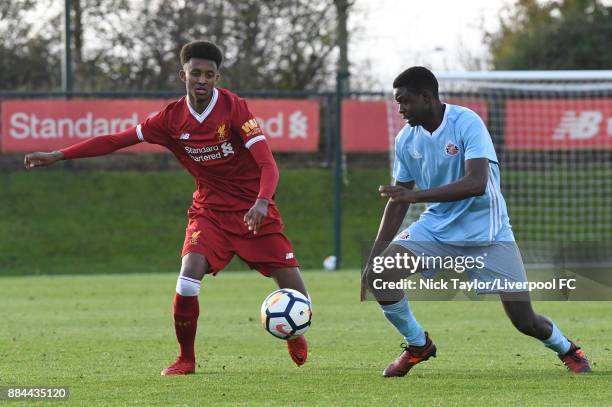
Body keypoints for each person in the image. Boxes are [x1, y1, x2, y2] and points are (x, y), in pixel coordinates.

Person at [24, 40, 310, 375]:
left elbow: (268, 164)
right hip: (210, 211)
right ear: (183, 75)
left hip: (253, 212)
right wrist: (59, 154)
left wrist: (262, 201)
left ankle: (293, 332)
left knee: (299, 297)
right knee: (187, 279)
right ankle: (186, 359)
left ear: (217, 78)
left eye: (209, 74)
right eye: (195, 73)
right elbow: (117, 140)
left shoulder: (234, 109)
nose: (202, 80)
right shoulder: (170, 119)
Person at [363, 66, 591, 377]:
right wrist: (376, 255)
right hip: (436, 227)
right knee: (382, 276)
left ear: (426, 97)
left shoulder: (465, 121)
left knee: (524, 321)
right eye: (397, 102)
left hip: (488, 232)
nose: (400, 109)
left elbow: (476, 183)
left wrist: (415, 197)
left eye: (404, 101)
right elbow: (398, 199)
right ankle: (418, 345)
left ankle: (567, 349)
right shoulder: (406, 139)